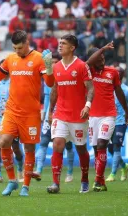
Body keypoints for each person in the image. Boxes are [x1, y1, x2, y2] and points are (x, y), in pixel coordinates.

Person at [0, 30, 55, 197]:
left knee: (29, 148)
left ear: (27, 43)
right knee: (4, 141)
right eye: (14, 48)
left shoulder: (38, 58)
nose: (17, 51)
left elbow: (50, 83)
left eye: (19, 48)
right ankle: (13, 181)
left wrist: (49, 66)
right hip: (12, 110)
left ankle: (25, 186)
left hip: (31, 113)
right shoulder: (10, 59)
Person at [46, 35, 95, 194]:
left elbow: (91, 88)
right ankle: (55, 183)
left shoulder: (81, 66)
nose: (60, 46)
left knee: (80, 148)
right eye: (59, 43)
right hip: (60, 113)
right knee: (57, 143)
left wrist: (87, 106)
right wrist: (50, 111)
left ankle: (85, 180)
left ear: (72, 47)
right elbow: (54, 90)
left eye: (64, 43)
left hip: (78, 116)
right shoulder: (56, 67)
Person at [86, 43, 128, 192]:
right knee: (96, 150)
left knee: (101, 144)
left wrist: (126, 110)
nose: (102, 59)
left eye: (103, 57)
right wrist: (102, 49)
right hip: (92, 117)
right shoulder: (89, 71)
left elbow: (119, 92)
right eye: (99, 57)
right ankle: (101, 180)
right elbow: (87, 63)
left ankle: (97, 181)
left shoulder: (112, 72)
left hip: (109, 116)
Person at [35, 53, 75, 183]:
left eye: (55, 62)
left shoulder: (65, 75)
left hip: (64, 115)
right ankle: (39, 170)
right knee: (43, 142)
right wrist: (45, 113)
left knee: (67, 145)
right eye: (51, 62)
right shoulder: (48, 79)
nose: (53, 64)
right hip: (50, 115)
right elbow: (47, 98)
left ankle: (69, 172)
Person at [0, 59, 24, 183]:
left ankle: (20, 170)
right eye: (1, 68)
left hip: (12, 119)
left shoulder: (14, 82)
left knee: (15, 147)